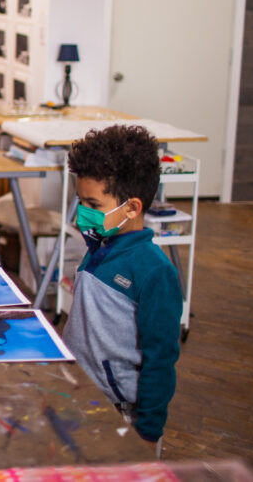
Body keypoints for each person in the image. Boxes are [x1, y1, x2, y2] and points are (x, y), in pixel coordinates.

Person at [62, 125, 183, 451]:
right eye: (79, 201)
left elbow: (161, 357)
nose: (83, 214)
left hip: (122, 416)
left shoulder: (155, 271)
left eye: (93, 204)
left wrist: (148, 431)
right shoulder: (100, 246)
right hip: (80, 396)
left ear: (132, 208)